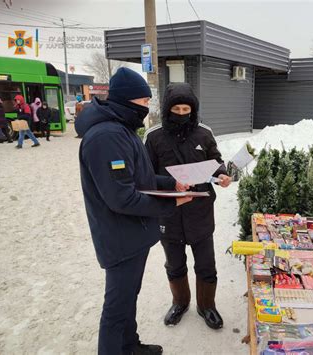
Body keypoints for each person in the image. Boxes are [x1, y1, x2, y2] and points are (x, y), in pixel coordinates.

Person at [76, 67, 192, 355]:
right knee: (116, 309)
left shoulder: (123, 130)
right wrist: (169, 203)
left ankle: (130, 346)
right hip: (119, 239)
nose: (146, 109)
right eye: (142, 103)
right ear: (126, 101)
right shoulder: (106, 137)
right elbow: (121, 198)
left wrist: (170, 184)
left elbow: (142, 179)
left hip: (134, 235)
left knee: (129, 298)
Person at [144, 83, 232, 330]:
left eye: (186, 109)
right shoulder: (154, 137)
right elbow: (146, 176)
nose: (182, 113)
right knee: (174, 264)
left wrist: (222, 175)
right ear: (167, 109)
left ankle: (207, 306)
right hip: (169, 214)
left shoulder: (204, 133)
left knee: (206, 264)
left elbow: (216, 162)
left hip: (200, 212)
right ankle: (180, 302)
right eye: (176, 108)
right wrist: (170, 189)